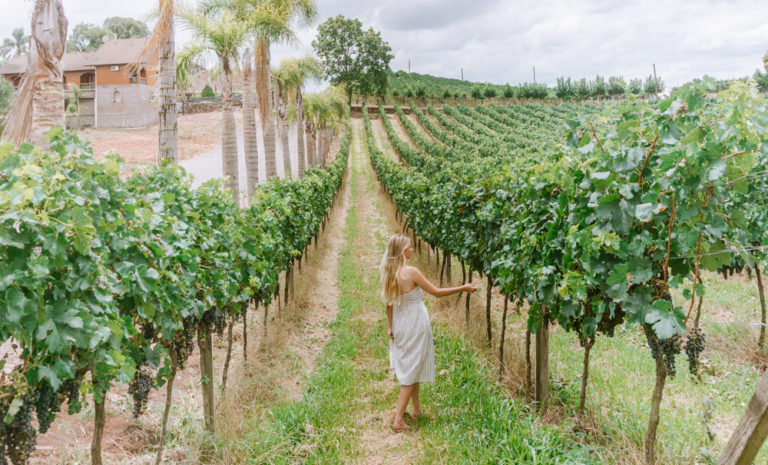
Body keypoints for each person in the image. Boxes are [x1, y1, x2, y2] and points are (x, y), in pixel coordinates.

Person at [380, 233, 477, 432]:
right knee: (410, 371)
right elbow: (437, 292)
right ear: (402, 251)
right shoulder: (411, 272)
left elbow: (389, 306)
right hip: (415, 322)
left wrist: (390, 326)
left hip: (400, 322)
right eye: (409, 247)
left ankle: (416, 411)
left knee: (411, 364)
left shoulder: (390, 273)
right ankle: (398, 420)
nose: (412, 249)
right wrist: (463, 287)